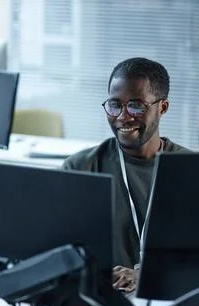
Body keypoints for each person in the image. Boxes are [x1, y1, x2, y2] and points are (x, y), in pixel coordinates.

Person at [61, 57, 190, 293]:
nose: (123, 116)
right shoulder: (80, 167)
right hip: (99, 299)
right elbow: (56, 249)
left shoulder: (193, 170)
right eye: (114, 104)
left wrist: (145, 275)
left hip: (171, 298)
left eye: (136, 105)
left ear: (162, 107)